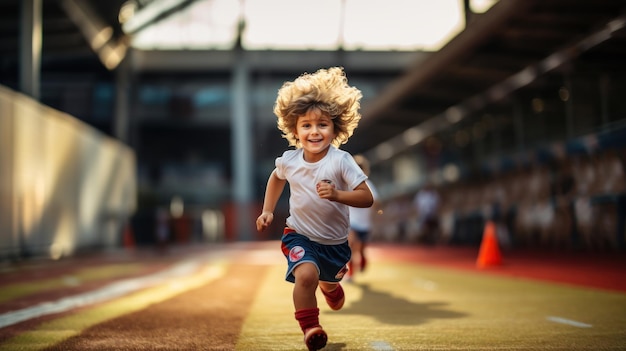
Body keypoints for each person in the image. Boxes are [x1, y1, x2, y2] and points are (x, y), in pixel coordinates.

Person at [256, 67, 373, 351]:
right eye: (306, 125)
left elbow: (366, 198)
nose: (314, 131)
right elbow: (276, 177)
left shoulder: (341, 160)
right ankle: (311, 329)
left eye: (322, 124)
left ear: (335, 127)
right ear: (294, 130)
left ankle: (330, 287)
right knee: (306, 276)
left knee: (327, 283)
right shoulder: (290, 160)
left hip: (334, 244)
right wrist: (268, 210)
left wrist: (337, 194)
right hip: (299, 234)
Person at [346, 154, 380, 280]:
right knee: (351, 245)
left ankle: (363, 257)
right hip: (351, 222)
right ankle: (351, 273)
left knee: (360, 248)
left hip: (364, 223)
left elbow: (376, 202)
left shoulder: (368, 185)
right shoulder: (348, 184)